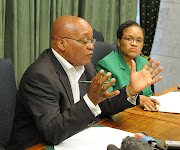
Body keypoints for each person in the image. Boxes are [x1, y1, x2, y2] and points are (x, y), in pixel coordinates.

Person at [6, 16, 163, 150]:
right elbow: (52, 131)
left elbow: (104, 105)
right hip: (38, 146)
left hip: (76, 138)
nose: (91, 46)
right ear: (62, 44)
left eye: (92, 40)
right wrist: (90, 100)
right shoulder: (40, 76)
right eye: (85, 41)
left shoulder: (85, 65)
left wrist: (130, 90)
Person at [96, 21, 160, 111]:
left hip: (143, 113)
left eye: (139, 40)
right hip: (119, 117)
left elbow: (148, 94)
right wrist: (136, 99)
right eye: (129, 39)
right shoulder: (106, 65)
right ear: (118, 41)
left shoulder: (144, 62)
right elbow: (106, 101)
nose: (134, 43)